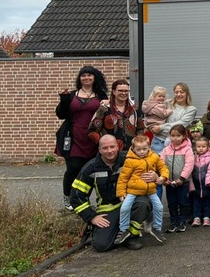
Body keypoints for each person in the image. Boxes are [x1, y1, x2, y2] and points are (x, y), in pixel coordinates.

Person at [70, 135, 155, 251]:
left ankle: (131, 236)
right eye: (105, 148)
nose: (109, 151)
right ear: (99, 150)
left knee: (143, 202)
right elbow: (76, 196)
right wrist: (92, 217)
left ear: (118, 147)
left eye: (112, 147)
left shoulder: (130, 159)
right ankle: (113, 232)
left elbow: (156, 163)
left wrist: (156, 176)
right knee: (101, 245)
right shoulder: (90, 168)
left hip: (130, 203)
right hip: (108, 209)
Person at [56, 65, 109, 211]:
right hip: (73, 137)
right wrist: (64, 99)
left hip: (92, 137)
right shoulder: (72, 95)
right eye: (83, 75)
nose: (86, 78)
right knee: (73, 168)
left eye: (89, 75)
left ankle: (82, 200)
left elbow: (107, 115)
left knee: (90, 171)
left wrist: (106, 105)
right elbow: (61, 115)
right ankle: (68, 199)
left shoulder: (101, 96)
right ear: (80, 78)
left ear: (94, 77)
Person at [115, 135, 168, 245]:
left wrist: (162, 177)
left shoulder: (154, 157)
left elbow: (163, 168)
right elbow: (123, 178)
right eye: (138, 149)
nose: (142, 152)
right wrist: (121, 193)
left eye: (144, 149)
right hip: (133, 190)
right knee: (125, 207)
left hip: (151, 189)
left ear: (149, 147)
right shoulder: (130, 161)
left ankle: (157, 228)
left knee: (159, 207)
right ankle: (124, 229)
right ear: (133, 149)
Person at [88, 79, 144, 152]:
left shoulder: (134, 111)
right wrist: (104, 145)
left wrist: (138, 145)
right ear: (114, 92)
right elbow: (92, 131)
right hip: (110, 154)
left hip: (131, 154)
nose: (124, 93)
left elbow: (141, 129)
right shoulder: (104, 109)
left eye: (126, 91)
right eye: (120, 90)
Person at [161, 124, 194, 232]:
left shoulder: (188, 150)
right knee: (172, 203)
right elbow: (161, 164)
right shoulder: (166, 150)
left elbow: (189, 165)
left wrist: (182, 178)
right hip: (170, 182)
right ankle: (173, 221)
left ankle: (182, 221)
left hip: (182, 182)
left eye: (178, 135)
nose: (175, 138)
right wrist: (165, 178)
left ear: (184, 136)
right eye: (173, 135)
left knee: (183, 201)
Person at [150, 82, 197, 154]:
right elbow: (151, 107)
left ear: (187, 93)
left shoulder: (191, 109)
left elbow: (180, 126)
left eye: (182, 92)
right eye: (176, 92)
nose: (179, 94)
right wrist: (151, 125)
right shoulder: (166, 103)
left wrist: (160, 127)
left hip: (176, 144)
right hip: (158, 141)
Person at [190, 136, 210, 227]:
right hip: (196, 183)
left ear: (208, 147)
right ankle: (196, 217)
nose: (201, 149)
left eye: (203, 146)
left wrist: (209, 181)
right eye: (199, 147)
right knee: (196, 201)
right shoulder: (193, 157)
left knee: (207, 201)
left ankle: (206, 217)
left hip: (206, 183)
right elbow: (190, 171)